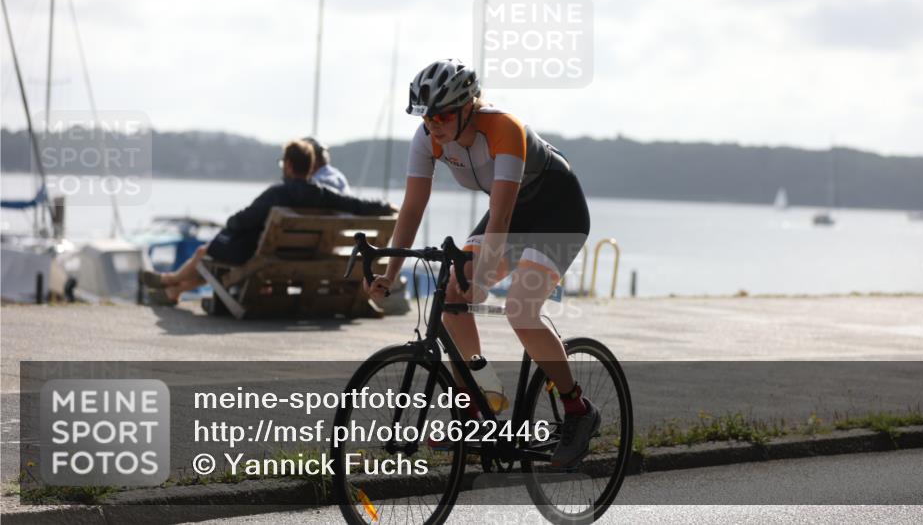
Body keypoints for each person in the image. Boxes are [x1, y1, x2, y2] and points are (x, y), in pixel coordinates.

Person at [364, 58, 595, 469]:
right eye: (426, 116)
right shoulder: (427, 138)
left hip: (557, 212)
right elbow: (413, 207)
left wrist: (484, 276)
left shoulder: (503, 128)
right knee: (453, 294)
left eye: (443, 115)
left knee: (520, 309)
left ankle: (577, 408)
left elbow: (500, 217)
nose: (434, 124)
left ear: (469, 105)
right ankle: (479, 403)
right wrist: (391, 272)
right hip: (513, 214)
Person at [142, 139, 395, 302]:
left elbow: (242, 220)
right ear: (310, 167)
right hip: (303, 255)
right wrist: (386, 207)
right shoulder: (323, 194)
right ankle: (172, 289)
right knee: (210, 254)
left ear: (289, 166)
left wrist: (230, 223)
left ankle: (170, 281)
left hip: (265, 257)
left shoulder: (277, 194)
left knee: (205, 253)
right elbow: (357, 205)